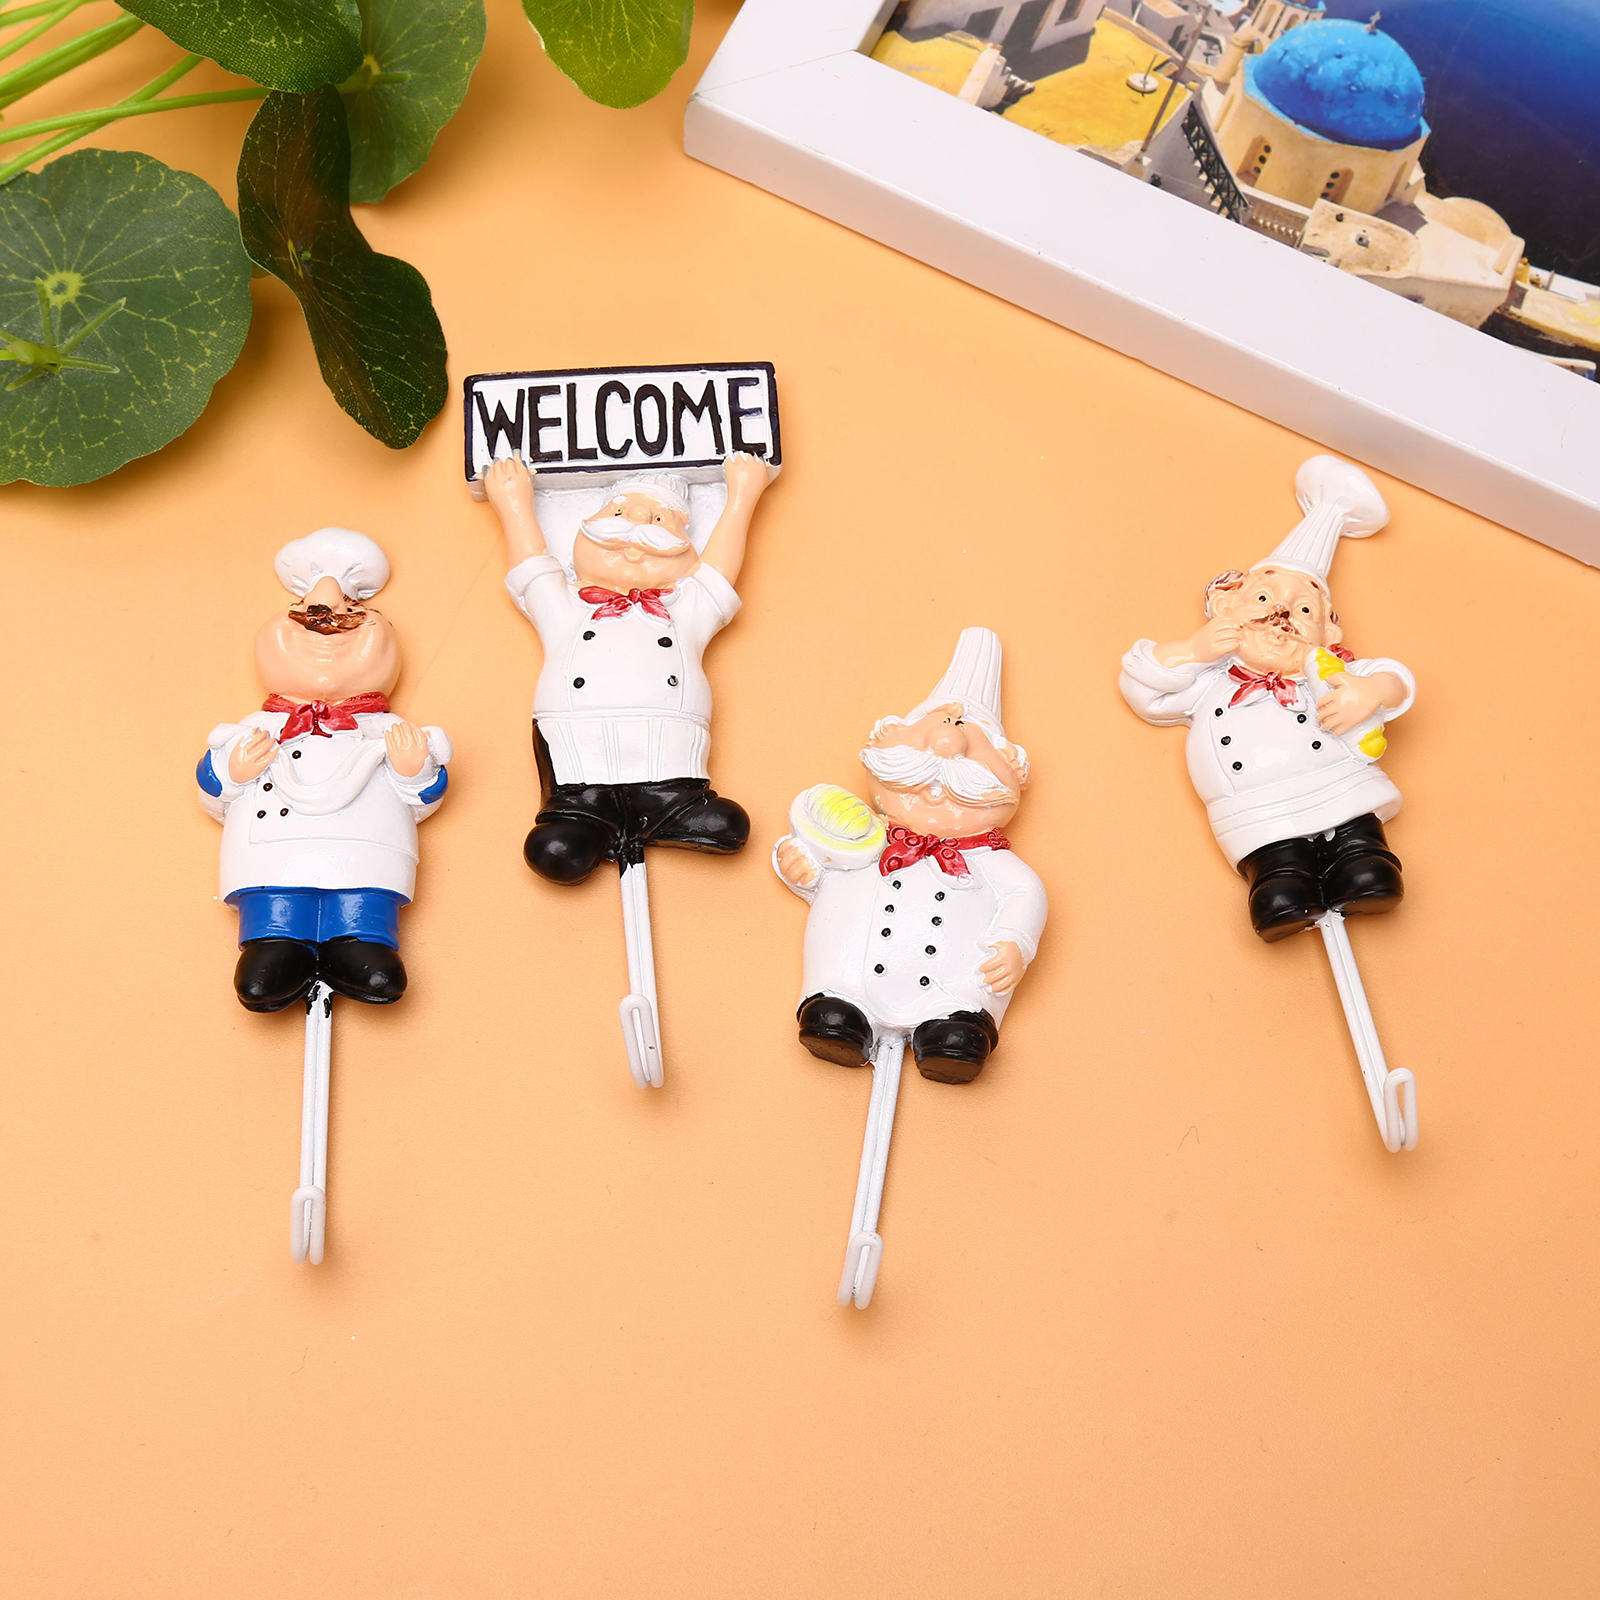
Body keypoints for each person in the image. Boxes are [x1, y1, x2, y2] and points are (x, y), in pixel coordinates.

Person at [1118, 455, 1415, 940]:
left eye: (1304, 610)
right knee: (1280, 871)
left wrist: (1370, 691)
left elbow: (1395, 679)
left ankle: (1363, 861)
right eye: (1262, 599)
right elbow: (1143, 689)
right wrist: (1192, 650)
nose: (1281, 614)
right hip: (1256, 808)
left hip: (1338, 784)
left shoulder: (1327, 673)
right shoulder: (1209, 680)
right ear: (1224, 605)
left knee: (1359, 849)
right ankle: (1280, 880)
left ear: (1328, 631)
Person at [774, 628, 1048, 1084]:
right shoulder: (864, 832)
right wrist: (800, 867)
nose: (947, 743)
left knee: (965, 999)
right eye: (939, 726)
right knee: (841, 975)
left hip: (950, 984)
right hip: (851, 973)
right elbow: (826, 862)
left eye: (968, 736)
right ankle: (839, 1012)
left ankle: (954, 1029)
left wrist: (1015, 942)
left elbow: (1025, 894)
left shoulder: (989, 860)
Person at [480, 451, 772, 876]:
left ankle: (674, 807)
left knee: (726, 824)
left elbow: (718, 573)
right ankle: (580, 819)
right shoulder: (566, 606)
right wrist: (513, 503)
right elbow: (532, 567)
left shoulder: (684, 608)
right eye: (618, 513)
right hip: (577, 749)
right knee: (554, 848)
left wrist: (742, 496)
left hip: (669, 756)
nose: (636, 524)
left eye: (658, 520)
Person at [196, 528, 450, 1010]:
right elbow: (214, 791)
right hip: (271, 851)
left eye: (351, 612)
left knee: (363, 893)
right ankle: (274, 942)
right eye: (306, 613)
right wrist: (236, 770)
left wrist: (412, 768)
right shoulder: (255, 727)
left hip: (367, 848)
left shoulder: (386, 729)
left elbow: (422, 794)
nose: (329, 621)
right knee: (274, 894)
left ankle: (361, 942)